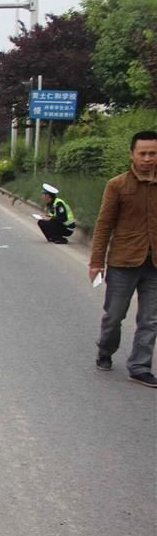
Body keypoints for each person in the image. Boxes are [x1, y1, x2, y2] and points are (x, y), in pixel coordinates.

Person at [89, 130, 157, 387]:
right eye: (143, 153)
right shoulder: (117, 185)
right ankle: (105, 350)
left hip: (154, 265)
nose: (148, 159)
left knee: (150, 319)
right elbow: (104, 224)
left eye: (153, 153)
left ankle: (139, 367)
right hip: (122, 262)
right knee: (114, 315)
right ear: (132, 154)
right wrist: (96, 262)